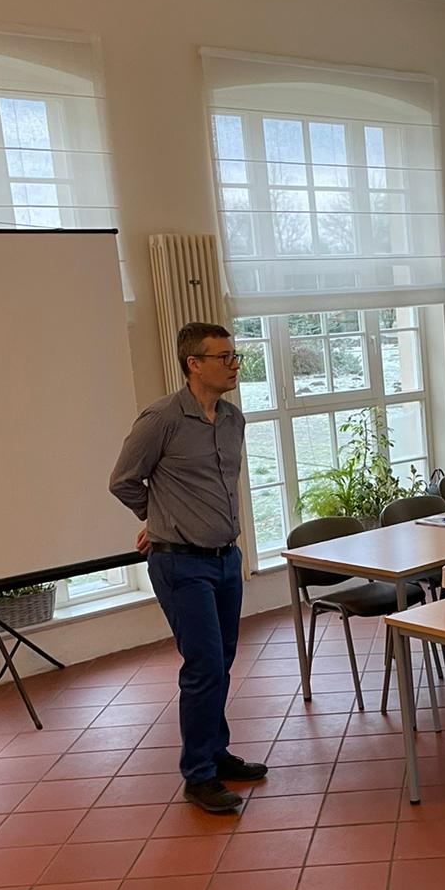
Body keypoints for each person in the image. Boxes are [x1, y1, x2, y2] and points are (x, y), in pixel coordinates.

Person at [109, 322, 266, 815]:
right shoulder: (161, 419)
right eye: (223, 357)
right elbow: (123, 481)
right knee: (203, 666)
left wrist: (165, 513)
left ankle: (215, 753)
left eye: (235, 356)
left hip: (226, 559)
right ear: (193, 363)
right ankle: (198, 775)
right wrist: (159, 518)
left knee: (221, 662)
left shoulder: (233, 419)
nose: (234, 365)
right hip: (180, 563)